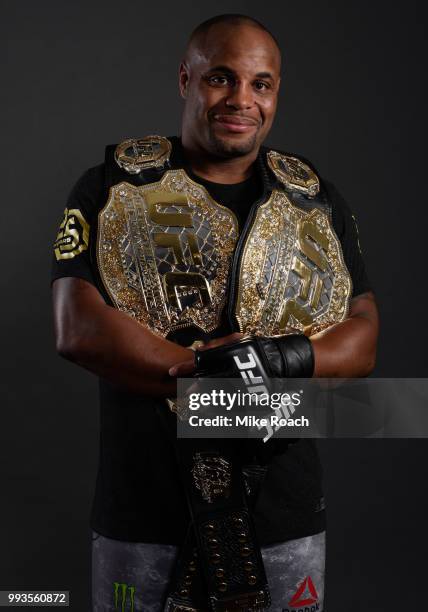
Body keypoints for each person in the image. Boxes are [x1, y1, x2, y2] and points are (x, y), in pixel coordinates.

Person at [51, 13, 379, 612]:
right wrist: (217, 372)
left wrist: (278, 357)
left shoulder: (315, 199)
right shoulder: (109, 185)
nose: (241, 100)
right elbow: (78, 328)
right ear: (186, 79)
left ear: (276, 93)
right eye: (221, 79)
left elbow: (362, 338)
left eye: (261, 84)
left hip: (283, 515)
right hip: (146, 515)